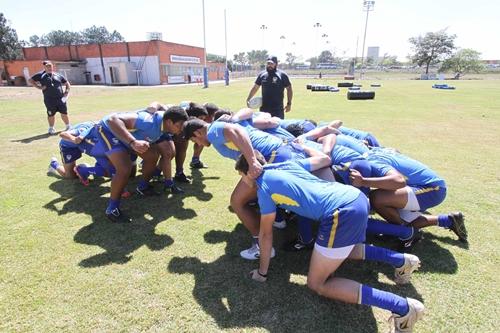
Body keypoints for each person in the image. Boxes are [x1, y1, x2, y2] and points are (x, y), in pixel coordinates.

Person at [235, 151, 425, 333]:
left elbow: (266, 235)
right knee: (345, 250)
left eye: (240, 176)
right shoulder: (285, 165)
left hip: (341, 212)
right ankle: (401, 260)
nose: (242, 181)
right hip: (355, 198)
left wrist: (262, 273)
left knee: (317, 283)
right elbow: (324, 160)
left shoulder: (263, 188)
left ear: (247, 172)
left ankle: (403, 308)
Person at [94, 106, 188, 223]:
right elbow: (112, 120)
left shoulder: (164, 126)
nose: (180, 130)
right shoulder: (147, 121)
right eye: (179, 126)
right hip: (108, 131)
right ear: (169, 122)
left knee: (152, 155)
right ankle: (112, 209)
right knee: (124, 169)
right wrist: (132, 142)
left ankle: (142, 187)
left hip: (127, 137)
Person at [360, 148, 468, 242]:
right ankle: (449, 220)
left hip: (432, 188)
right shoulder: (377, 151)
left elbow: (397, 180)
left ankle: (402, 233)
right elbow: (395, 150)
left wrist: (363, 181)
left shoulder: (371, 159)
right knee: (405, 221)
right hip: (425, 186)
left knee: (377, 198)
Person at [28, 61, 71, 134]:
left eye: (50, 66)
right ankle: (51, 128)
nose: (49, 68)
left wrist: (66, 91)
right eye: (47, 66)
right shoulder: (40, 75)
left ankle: (68, 126)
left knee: (64, 113)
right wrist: (39, 87)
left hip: (60, 99)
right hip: (49, 100)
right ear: (44, 67)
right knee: (51, 114)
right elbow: (30, 80)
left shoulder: (57, 75)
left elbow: (67, 83)